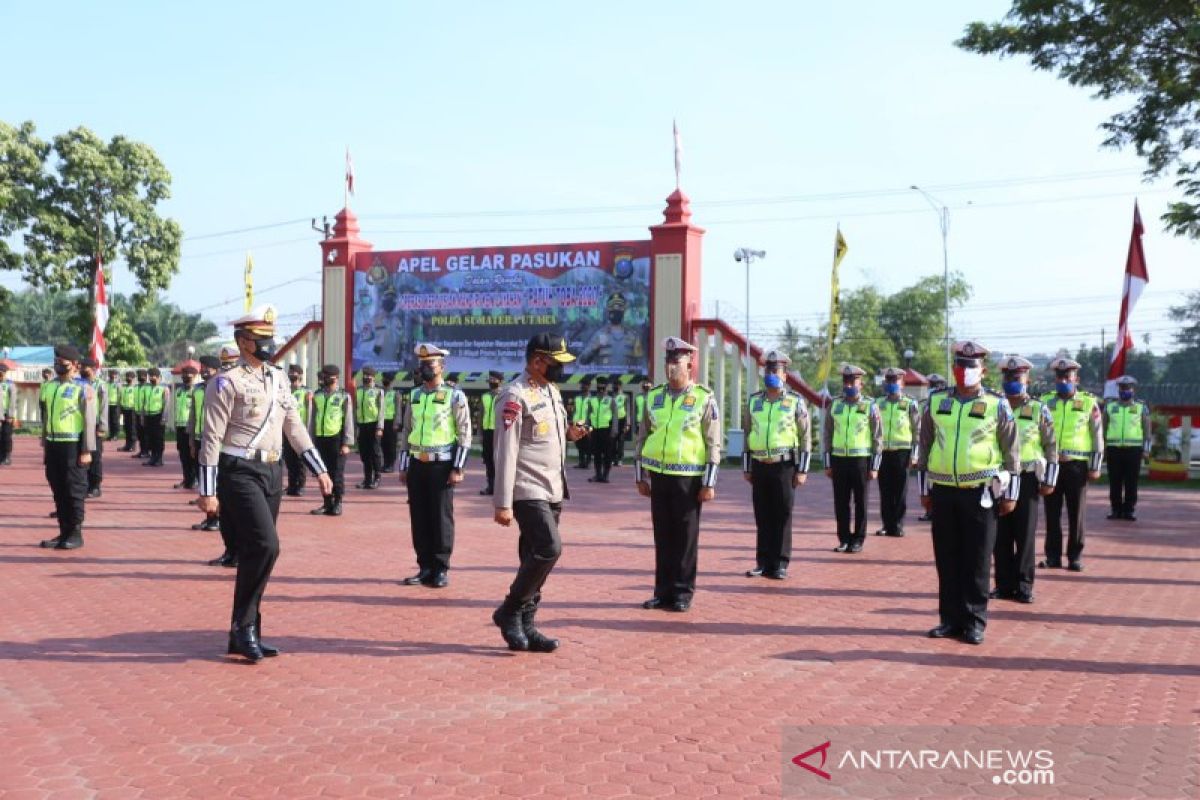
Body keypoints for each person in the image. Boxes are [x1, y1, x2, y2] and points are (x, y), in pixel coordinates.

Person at [196, 304, 332, 663]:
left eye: (270, 337)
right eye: (260, 339)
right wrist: (207, 491)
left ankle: (244, 628)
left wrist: (319, 468)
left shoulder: (278, 378)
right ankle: (244, 628)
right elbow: (211, 437)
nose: (268, 344)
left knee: (258, 552)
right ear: (243, 342)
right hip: (238, 470)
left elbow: (294, 425)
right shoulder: (226, 382)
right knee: (266, 545)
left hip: (272, 471)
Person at [917, 341, 1020, 646]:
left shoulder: (997, 404)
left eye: (972, 366)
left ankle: (974, 621)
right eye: (961, 365)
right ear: (954, 368)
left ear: (983, 370)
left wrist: (1011, 494)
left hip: (981, 492)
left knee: (976, 559)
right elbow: (924, 446)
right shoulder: (935, 402)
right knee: (947, 559)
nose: (965, 371)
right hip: (944, 490)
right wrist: (925, 489)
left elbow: (1011, 451)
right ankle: (949, 619)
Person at [491, 333, 590, 651]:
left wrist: (571, 434)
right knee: (550, 548)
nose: (561, 369)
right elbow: (505, 450)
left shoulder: (550, 390)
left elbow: (548, 434)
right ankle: (509, 611)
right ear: (536, 361)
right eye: (555, 363)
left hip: (552, 487)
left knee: (532, 558)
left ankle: (526, 625)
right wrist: (503, 501)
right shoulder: (513, 395)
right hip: (527, 488)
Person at [634, 337, 722, 612]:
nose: (671, 367)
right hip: (659, 476)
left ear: (690, 365)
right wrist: (640, 475)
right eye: (668, 361)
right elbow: (642, 437)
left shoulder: (704, 398)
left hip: (688, 478)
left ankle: (682, 592)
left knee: (685, 538)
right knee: (663, 536)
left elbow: (713, 442)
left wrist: (709, 482)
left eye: (677, 362)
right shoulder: (653, 396)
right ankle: (662, 592)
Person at [397, 344, 472, 588]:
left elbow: (464, 434)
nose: (425, 368)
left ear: (442, 367)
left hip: (442, 466)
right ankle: (424, 567)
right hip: (417, 465)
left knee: (441, 518)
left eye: (430, 364)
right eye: (422, 364)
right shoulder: (416, 395)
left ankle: (441, 568)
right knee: (419, 517)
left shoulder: (455, 395)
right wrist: (404, 465)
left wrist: (458, 468)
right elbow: (407, 431)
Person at [992, 356, 1058, 604]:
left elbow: (1051, 445)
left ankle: (1024, 585)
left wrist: (1050, 479)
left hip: (1028, 477)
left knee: (1025, 533)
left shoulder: (1039, 409)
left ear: (1027, 380)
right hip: (1000, 477)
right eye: (1008, 378)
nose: (1012, 382)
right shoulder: (995, 406)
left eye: (1016, 378)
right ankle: (1003, 584)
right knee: (1000, 534)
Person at [742, 350, 811, 580]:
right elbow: (747, 433)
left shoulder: (794, 402)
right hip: (760, 465)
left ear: (785, 374)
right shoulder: (754, 401)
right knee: (762, 514)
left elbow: (805, 437)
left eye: (775, 370)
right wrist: (747, 466)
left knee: (782, 514)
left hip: (784, 466)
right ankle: (763, 562)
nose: (770, 373)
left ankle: (779, 563)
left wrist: (802, 469)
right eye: (768, 369)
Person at [1038, 357, 1102, 572]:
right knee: (1052, 513)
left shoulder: (1088, 402)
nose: (1063, 380)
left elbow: (1097, 435)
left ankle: (1075, 556)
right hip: (1052, 465)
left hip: (1077, 465)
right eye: (1059, 376)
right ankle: (1053, 556)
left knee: (1076, 513)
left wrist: (1095, 465)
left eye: (1068, 376)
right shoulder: (1045, 402)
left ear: (1077, 379)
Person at [39, 345, 96, 550]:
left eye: (62, 362)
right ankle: (63, 531)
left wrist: (87, 449)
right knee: (58, 489)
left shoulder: (83, 388)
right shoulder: (48, 387)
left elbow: (90, 421)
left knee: (74, 489)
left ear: (74, 365)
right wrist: (44, 442)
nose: (58, 365)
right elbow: (45, 416)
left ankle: (75, 533)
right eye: (56, 362)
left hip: (73, 445)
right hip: (53, 444)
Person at [822, 364, 883, 553]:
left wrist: (875, 466)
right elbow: (827, 434)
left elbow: (877, 436)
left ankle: (858, 539)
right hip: (839, 459)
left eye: (853, 381)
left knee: (861, 502)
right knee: (841, 501)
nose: (849, 385)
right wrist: (827, 462)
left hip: (861, 460)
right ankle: (844, 538)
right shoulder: (835, 404)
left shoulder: (870, 406)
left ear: (861, 384)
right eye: (846, 381)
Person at [875, 366, 919, 538]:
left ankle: (898, 524)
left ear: (902, 383)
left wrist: (915, 454)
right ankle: (886, 524)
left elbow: (917, 430)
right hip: (883, 452)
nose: (891, 383)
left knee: (900, 490)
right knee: (885, 490)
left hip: (903, 452)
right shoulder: (878, 403)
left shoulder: (909, 403)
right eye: (889, 380)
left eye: (895, 380)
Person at [1103, 375, 1151, 521]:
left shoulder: (1141, 407)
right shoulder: (1110, 406)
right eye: (1122, 388)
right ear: (1118, 389)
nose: (1125, 390)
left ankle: (1129, 510)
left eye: (1128, 388)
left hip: (1134, 450)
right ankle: (1115, 509)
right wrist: (1103, 448)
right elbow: (1104, 429)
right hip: (1114, 449)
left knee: (1131, 481)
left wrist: (1146, 449)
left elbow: (1147, 431)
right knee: (1115, 481)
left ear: (1133, 390)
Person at [309, 364, 354, 516]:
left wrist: (347, 443)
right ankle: (327, 502)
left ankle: (338, 502)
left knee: (337, 473)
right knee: (322, 472)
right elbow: (313, 419)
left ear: (336, 378)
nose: (325, 379)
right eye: (324, 376)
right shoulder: (318, 395)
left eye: (328, 376)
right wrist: (311, 441)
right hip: (321, 439)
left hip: (336, 438)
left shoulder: (343, 396)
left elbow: (348, 420)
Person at [191, 356, 226, 540]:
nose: (204, 370)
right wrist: (191, 439)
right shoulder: (197, 389)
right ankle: (209, 516)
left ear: (216, 369)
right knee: (203, 479)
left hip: (216, 441)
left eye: (208, 368)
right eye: (202, 367)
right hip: (199, 438)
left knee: (216, 482)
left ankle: (218, 518)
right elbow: (193, 415)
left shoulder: (221, 386)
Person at [916, 373, 948, 523]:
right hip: (926, 444)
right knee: (926, 481)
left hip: (941, 447)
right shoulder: (922, 404)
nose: (934, 388)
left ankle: (938, 511)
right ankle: (929, 510)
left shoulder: (946, 402)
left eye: (938, 385)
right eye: (931, 385)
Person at [79, 357, 107, 498]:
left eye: (85, 367)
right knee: (82, 456)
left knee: (95, 457)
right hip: (81, 424)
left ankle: (95, 486)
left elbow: (103, 407)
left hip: (95, 424)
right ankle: (84, 485)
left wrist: (102, 426)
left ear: (93, 369)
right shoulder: (78, 383)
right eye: (81, 367)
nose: (82, 370)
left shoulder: (100, 385)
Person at [353, 366, 385, 489]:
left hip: (374, 424)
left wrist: (380, 427)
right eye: (364, 375)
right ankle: (367, 479)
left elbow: (381, 410)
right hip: (362, 424)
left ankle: (377, 477)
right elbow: (356, 408)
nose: (366, 377)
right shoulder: (359, 390)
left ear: (373, 377)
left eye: (368, 375)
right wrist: (355, 426)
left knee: (375, 452)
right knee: (364, 453)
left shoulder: (378, 391)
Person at [284, 364, 312, 496]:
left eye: (294, 373)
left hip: (300, 430)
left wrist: (308, 430)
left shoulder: (306, 392)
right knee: (289, 459)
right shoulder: (285, 391)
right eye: (290, 373)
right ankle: (291, 485)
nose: (291, 376)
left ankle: (300, 485)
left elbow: (310, 412)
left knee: (300, 459)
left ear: (300, 375)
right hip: (286, 429)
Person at [588, 375, 618, 483]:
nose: (600, 389)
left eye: (603, 387)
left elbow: (615, 416)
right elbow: (589, 415)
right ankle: (598, 474)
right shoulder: (592, 400)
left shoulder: (611, 400)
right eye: (599, 387)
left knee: (607, 454)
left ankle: (606, 475)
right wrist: (588, 429)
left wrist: (614, 430)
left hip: (607, 430)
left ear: (606, 387)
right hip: (595, 430)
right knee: (596, 454)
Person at [174, 365, 199, 490]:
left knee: (192, 455)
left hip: (191, 427)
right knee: (183, 455)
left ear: (194, 376)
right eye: (183, 376)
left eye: (188, 376)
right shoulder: (179, 391)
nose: (185, 378)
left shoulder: (196, 391)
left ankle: (194, 479)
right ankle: (187, 479)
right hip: (180, 426)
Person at [479, 370, 503, 495]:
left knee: (499, 461)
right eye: (490, 380)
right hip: (487, 432)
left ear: (500, 381)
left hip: (499, 433)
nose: (491, 382)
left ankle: (500, 488)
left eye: (494, 380)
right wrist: (480, 434)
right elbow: (481, 415)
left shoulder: (504, 395)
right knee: (488, 460)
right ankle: (491, 486)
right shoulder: (485, 396)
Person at [141, 367, 169, 467]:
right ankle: (152, 458)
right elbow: (144, 403)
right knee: (150, 438)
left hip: (158, 416)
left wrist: (164, 418)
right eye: (150, 376)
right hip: (148, 416)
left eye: (154, 376)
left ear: (159, 377)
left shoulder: (164, 389)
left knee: (158, 439)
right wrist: (143, 417)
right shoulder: (146, 388)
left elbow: (166, 404)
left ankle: (159, 458)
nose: (152, 378)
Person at [380, 371, 400, 473]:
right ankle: (385, 464)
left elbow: (398, 409)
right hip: (381, 421)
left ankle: (391, 464)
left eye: (387, 379)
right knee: (383, 444)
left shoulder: (395, 393)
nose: (384, 381)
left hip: (391, 422)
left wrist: (396, 423)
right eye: (384, 378)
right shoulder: (380, 392)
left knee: (391, 444)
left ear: (391, 381)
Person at [572, 379, 594, 469]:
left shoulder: (592, 399)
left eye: (584, 385)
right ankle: (581, 462)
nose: (582, 387)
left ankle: (588, 462)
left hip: (586, 424)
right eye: (582, 385)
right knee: (579, 444)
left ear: (589, 386)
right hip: (577, 424)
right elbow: (574, 410)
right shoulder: (577, 398)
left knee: (588, 444)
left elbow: (593, 413)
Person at [0, 363, 15, 466]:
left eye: (2, 372)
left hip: (6, 414)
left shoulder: (10, 384)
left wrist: (10, 415)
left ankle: (7, 456)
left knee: (6, 436)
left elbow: (12, 401)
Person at [118, 371, 138, 451]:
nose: (128, 378)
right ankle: (127, 445)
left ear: (133, 378)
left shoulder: (135, 388)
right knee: (126, 428)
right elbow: (120, 398)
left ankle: (133, 446)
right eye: (127, 377)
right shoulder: (123, 387)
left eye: (130, 377)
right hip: (125, 409)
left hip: (133, 410)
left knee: (132, 428)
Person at [611, 379, 629, 467]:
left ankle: (620, 459)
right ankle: (614, 459)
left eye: (617, 385)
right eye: (614, 385)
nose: (615, 387)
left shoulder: (625, 397)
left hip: (622, 420)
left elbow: (627, 410)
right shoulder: (611, 397)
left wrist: (627, 423)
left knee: (621, 440)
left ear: (620, 386)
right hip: (613, 421)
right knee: (613, 441)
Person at [133, 368, 149, 458]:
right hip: (137, 412)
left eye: (143, 375)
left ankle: (146, 451)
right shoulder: (136, 387)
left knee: (145, 434)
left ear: (146, 377)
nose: (141, 377)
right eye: (139, 375)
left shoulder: (148, 387)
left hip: (145, 414)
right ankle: (142, 450)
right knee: (139, 433)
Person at [106, 369, 122, 440]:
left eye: (114, 375)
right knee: (109, 420)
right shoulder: (107, 383)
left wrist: (119, 404)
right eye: (111, 374)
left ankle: (116, 434)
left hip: (115, 404)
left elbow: (120, 394)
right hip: (108, 404)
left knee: (115, 420)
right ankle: (111, 434)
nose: (112, 376)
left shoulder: (117, 384)